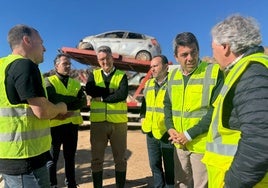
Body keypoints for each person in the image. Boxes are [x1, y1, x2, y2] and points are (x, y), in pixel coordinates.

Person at [202, 14, 268, 188]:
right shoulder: (245, 71)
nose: (212, 54)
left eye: (213, 47)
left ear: (225, 47)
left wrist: (232, 183)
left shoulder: (252, 74)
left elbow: (260, 138)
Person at [0, 24, 68, 188]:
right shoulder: (25, 65)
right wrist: (60, 107)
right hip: (27, 157)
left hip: (9, 156)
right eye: (41, 42)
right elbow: (42, 111)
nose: (44, 48)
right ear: (27, 40)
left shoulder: (3, 65)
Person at [164, 32, 224, 188]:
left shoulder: (214, 72)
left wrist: (189, 135)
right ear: (176, 56)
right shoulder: (172, 76)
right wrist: (170, 128)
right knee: (181, 183)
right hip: (178, 144)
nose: (190, 58)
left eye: (194, 52)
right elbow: (167, 106)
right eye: (184, 54)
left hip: (201, 145)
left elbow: (215, 110)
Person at [85, 45, 128, 188]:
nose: (105, 62)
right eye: (101, 59)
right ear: (98, 61)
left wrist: (102, 98)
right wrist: (110, 91)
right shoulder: (94, 75)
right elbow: (90, 89)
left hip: (118, 124)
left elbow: (121, 94)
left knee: (120, 158)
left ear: (112, 57)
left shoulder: (122, 75)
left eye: (107, 58)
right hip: (98, 123)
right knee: (96, 159)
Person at [45, 54, 87, 188]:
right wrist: (70, 100)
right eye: (65, 63)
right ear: (56, 65)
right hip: (54, 126)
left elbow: (82, 101)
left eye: (69, 64)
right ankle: (52, 185)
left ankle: (71, 184)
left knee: (70, 158)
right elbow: (52, 99)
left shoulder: (75, 83)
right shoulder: (48, 81)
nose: (68, 66)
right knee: (52, 159)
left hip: (71, 125)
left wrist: (62, 103)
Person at [140, 55, 175, 187]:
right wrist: (142, 119)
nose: (152, 69)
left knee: (170, 168)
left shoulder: (173, 84)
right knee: (154, 165)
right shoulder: (148, 84)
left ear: (166, 67)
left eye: (155, 66)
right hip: (151, 132)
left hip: (167, 133)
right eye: (151, 67)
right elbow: (144, 105)